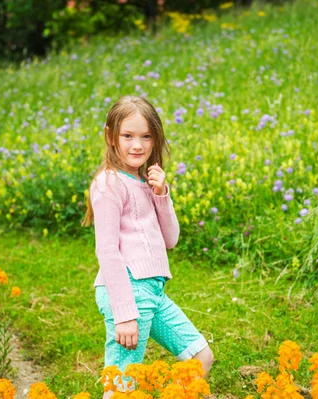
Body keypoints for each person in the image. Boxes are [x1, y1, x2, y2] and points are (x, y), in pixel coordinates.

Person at [82, 95, 214, 398]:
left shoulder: (144, 183)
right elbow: (107, 251)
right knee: (121, 389)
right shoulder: (109, 184)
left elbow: (171, 239)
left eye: (146, 137)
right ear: (110, 136)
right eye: (127, 136)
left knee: (200, 358)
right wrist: (124, 313)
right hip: (128, 293)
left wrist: (161, 194)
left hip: (152, 292)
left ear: (156, 140)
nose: (137, 145)